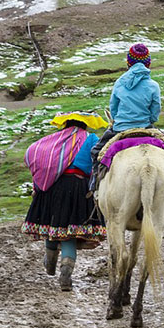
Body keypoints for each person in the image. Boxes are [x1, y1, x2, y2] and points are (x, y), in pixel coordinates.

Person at [22, 112, 109, 291]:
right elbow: (97, 163)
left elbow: (35, 154)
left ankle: (50, 262)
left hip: (51, 186)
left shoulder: (53, 140)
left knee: (52, 225)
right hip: (77, 187)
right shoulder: (90, 138)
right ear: (85, 125)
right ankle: (65, 276)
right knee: (69, 232)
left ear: (65, 124)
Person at [89, 43, 162, 179]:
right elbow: (155, 110)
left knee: (95, 152)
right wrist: (150, 120)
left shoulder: (119, 83)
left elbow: (114, 109)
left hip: (120, 128)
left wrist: (118, 120)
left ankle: (94, 185)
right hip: (145, 127)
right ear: (148, 64)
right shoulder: (153, 86)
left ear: (128, 63)